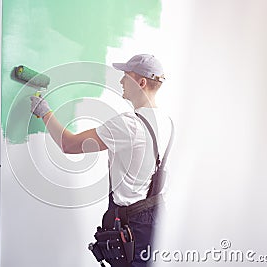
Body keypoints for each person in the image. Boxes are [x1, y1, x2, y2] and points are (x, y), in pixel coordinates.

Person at [30, 54, 173, 267]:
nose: (121, 81)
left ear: (141, 82)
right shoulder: (168, 122)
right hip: (155, 218)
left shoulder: (129, 125)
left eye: (126, 76)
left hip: (130, 224)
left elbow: (69, 144)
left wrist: (44, 112)